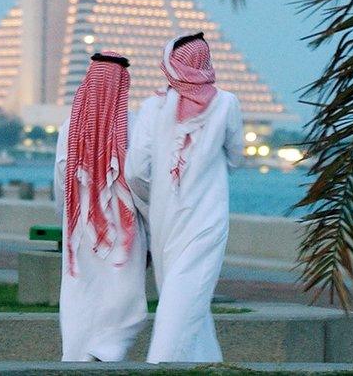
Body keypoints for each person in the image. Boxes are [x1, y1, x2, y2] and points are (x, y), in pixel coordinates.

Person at [126, 32, 244, 363]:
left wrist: (156, 199)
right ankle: (164, 366)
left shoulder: (153, 106)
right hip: (207, 217)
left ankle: (197, 364)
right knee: (186, 299)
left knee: (184, 297)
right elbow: (236, 157)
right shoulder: (226, 103)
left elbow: (135, 171)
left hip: (165, 221)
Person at [52, 51, 148, 361]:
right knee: (122, 299)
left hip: (82, 229)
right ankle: (92, 356)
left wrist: (66, 219)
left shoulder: (71, 125)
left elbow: (60, 179)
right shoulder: (133, 125)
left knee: (90, 296)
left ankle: (93, 353)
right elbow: (139, 180)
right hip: (122, 228)